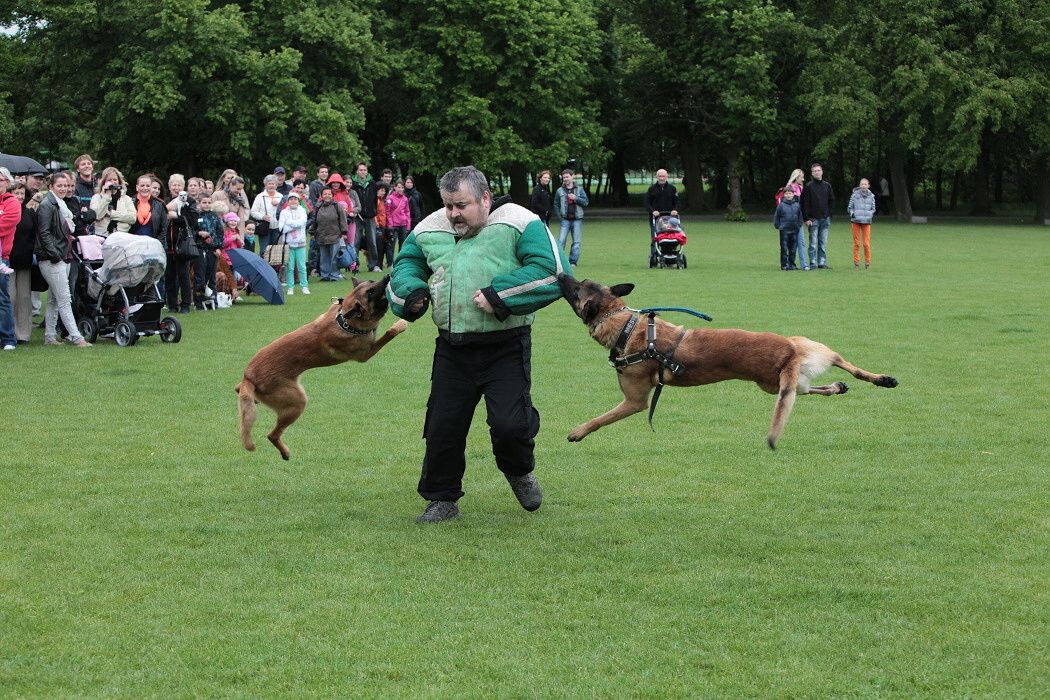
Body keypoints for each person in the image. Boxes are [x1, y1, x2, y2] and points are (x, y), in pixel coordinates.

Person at [388, 165, 570, 523]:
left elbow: (553, 272)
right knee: (442, 427)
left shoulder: (520, 221)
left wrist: (499, 295)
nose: (453, 214)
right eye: (448, 205)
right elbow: (405, 265)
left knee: (510, 425)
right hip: (452, 348)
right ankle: (442, 498)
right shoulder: (429, 228)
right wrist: (412, 293)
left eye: (462, 205)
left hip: (506, 346)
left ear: (485, 198)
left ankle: (518, 470)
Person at [34, 171, 91, 347]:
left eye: (65, 185)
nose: (63, 188)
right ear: (51, 186)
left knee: (54, 299)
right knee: (65, 299)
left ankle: (50, 337)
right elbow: (44, 233)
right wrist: (55, 255)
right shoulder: (47, 205)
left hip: (62, 255)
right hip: (53, 258)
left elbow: (58, 231)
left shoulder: (60, 204)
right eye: (59, 185)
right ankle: (77, 337)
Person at [8, 182, 37, 344]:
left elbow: (34, 235)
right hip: (7, 261)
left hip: (25, 261)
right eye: (16, 193)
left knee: (24, 298)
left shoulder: (30, 213)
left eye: (21, 194)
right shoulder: (5, 211)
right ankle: (7, 332)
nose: (19, 196)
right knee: (9, 297)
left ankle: (23, 334)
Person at [309, 186, 348, 281]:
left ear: (332, 195)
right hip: (321, 236)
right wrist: (312, 232)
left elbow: (343, 220)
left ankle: (334, 275)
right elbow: (314, 221)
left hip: (335, 236)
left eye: (329, 194)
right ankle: (325, 276)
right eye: (325, 194)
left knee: (334, 258)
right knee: (323, 258)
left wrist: (344, 232)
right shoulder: (318, 206)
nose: (327, 196)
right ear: (322, 196)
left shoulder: (337, 206)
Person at [800, 162, 834, 269]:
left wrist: (829, 214)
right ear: (812, 173)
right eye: (815, 171)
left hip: (825, 218)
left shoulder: (827, 186)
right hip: (813, 219)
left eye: (818, 170)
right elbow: (804, 203)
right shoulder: (809, 186)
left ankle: (822, 262)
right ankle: (813, 262)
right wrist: (806, 218)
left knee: (823, 242)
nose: (817, 172)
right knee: (813, 243)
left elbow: (831, 201)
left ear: (822, 172)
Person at [0, 167, 20, 350]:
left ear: (7, 182)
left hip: (2, 257)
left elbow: (6, 224)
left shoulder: (12, 202)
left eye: (0, 180)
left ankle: (7, 339)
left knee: (2, 299)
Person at [553, 168, 589, 267]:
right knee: (561, 241)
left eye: (567, 177)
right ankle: (560, 261)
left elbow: (586, 202)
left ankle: (572, 262)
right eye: (564, 177)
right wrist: (560, 217)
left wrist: (576, 198)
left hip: (577, 220)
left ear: (572, 177)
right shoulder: (559, 190)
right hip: (565, 220)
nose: (565, 179)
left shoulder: (579, 189)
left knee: (576, 242)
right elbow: (556, 204)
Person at [644, 169, 680, 261]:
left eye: (663, 176)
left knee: (671, 237)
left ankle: (670, 256)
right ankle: (654, 256)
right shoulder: (652, 189)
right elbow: (647, 203)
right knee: (655, 238)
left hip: (670, 219)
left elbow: (677, 202)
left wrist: (675, 210)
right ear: (657, 177)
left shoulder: (672, 188)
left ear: (667, 177)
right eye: (660, 176)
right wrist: (653, 211)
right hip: (656, 219)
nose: (662, 178)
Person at [89, 167, 136, 237]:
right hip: (102, 236)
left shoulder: (126, 199)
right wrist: (107, 196)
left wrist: (112, 214)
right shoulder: (96, 197)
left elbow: (133, 218)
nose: (113, 182)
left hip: (122, 236)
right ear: (104, 182)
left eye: (115, 179)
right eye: (109, 180)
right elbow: (97, 216)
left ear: (119, 181)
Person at [351, 162, 381, 271]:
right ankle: (354, 265)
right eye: (361, 170)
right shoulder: (353, 184)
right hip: (357, 217)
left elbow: (375, 200)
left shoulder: (372, 183)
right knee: (356, 241)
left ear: (367, 171)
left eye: (364, 170)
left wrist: (374, 212)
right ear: (357, 171)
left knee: (372, 241)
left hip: (370, 217)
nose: (363, 172)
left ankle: (373, 265)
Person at [278, 191, 309, 295]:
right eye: (291, 199)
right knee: (289, 267)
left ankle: (304, 286)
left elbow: (302, 223)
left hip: (300, 243)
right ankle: (290, 287)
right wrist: (295, 225)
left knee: (302, 267)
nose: (293, 201)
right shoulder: (284, 212)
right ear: (288, 201)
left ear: (298, 201)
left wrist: (289, 223)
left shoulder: (302, 210)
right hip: (289, 244)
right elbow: (281, 228)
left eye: (295, 199)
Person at [782, 169, 809, 270]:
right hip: (791, 221)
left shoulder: (800, 188)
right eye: (801, 177)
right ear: (796, 177)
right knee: (793, 243)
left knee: (799, 242)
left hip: (798, 220)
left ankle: (801, 264)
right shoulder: (791, 188)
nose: (803, 179)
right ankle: (793, 264)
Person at [847, 178, 876, 269]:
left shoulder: (872, 196)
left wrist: (870, 214)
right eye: (862, 184)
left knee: (866, 244)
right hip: (855, 221)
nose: (863, 186)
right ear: (860, 185)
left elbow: (873, 209)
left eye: (865, 184)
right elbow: (850, 207)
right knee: (857, 243)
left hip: (866, 222)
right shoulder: (854, 195)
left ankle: (867, 262)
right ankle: (856, 263)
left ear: (868, 185)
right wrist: (852, 214)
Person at [250, 174, 282, 255]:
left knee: (274, 252)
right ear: (265, 185)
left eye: (273, 183)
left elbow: (285, 210)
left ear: (276, 185)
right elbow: (253, 212)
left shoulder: (280, 196)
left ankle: (272, 264)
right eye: (269, 183)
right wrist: (262, 216)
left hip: (277, 228)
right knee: (264, 251)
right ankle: (262, 263)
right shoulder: (260, 196)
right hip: (265, 228)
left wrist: (278, 204)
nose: (271, 185)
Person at [773, 187, 803, 270]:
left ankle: (792, 264)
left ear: (793, 194)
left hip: (794, 229)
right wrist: (778, 226)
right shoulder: (781, 205)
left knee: (793, 248)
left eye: (790, 193)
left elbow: (800, 216)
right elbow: (776, 217)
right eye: (786, 193)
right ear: (784, 195)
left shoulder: (797, 205)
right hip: (784, 230)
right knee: (784, 248)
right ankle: (784, 265)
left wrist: (799, 225)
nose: (788, 195)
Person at [130, 174, 167, 239]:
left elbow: (164, 229)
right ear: (137, 187)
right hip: (132, 242)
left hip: (153, 243)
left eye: (148, 186)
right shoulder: (130, 203)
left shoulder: (160, 205)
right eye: (142, 185)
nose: (145, 188)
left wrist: (157, 242)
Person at [385, 180, 411, 264]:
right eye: (399, 187)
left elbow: (407, 212)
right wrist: (390, 225)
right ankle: (390, 263)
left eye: (402, 187)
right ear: (395, 188)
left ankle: (401, 262)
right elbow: (388, 212)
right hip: (393, 225)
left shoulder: (405, 199)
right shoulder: (390, 198)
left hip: (403, 224)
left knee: (403, 245)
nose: (400, 189)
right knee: (391, 245)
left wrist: (408, 225)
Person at [72, 154, 98, 235]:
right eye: (83, 164)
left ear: (92, 167)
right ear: (78, 169)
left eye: (89, 163)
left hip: (100, 227)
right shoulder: (74, 187)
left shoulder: (99, 186)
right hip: (83, 229)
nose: (87, 166)